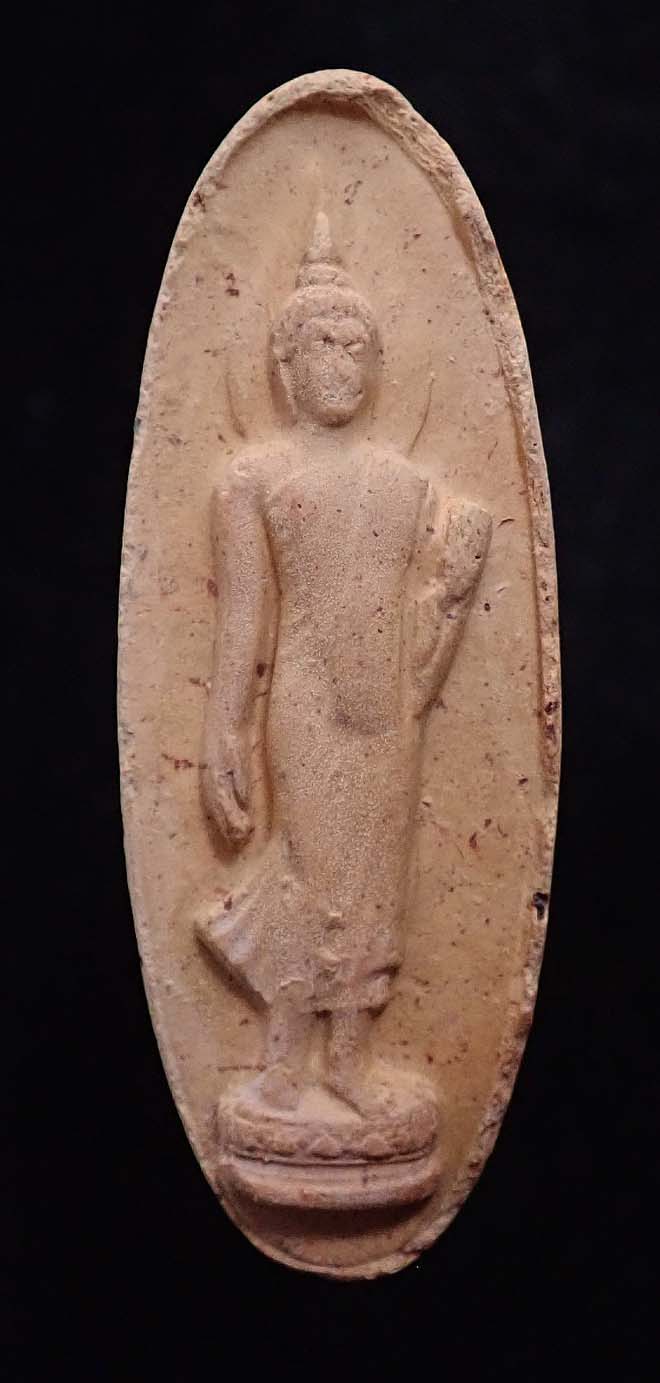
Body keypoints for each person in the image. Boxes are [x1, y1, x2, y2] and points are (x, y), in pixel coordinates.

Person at [198, 213, 491, 1118]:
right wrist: (224, 729)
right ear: (284, 364)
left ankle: (349, 1061)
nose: (340, 361)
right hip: (308, 704)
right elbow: (245, 618)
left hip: (387, 710)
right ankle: (284, 1059)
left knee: (378, 876)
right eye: (321, 343)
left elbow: (422, 632)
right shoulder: (252, 480)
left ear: (378, 365)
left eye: (356, 345)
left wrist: (452, 589)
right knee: (313, 868)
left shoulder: (407, 486)